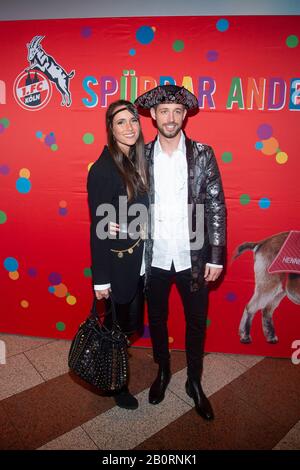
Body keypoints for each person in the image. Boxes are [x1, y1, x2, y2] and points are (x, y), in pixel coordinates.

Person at [135, 85, 226, 420]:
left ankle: (194, 381)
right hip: (154, 255)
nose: (170, 117)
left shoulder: (203, 153)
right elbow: (129, 202)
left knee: (196, 323)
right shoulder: (140, 155)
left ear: (184, 114)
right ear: (153, 116)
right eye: (163, 111)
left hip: (195, 257)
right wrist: (118, 224)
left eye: (176, 111)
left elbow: (216, 205)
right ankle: (163, 372)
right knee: (156, 319)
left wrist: (216, 255)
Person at [87, 99, 148, 409]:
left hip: (139, 263)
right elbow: (98, 227)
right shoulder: (103, 170)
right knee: (116, 330)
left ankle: (117, 371)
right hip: (117, 265)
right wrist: (100, 279)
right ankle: (116, 384)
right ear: (110, 129)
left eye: (133, 121)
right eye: (121, 122)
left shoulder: (137, 161)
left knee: (129, 326)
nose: (129, 127)